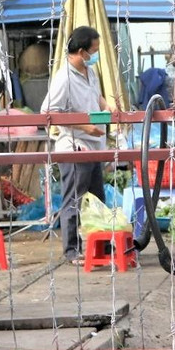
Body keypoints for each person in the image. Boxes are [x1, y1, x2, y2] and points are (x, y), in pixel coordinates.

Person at [42, 25, 110, 265]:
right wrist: (84, 127)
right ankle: (72, 250)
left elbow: (97, 97)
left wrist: (109, 108)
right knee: (74, 198)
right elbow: (49, 111)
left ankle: (102, 245)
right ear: (81, 51)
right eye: (94, 50)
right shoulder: (64, 77)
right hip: (74, 145)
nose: (96, 55)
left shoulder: (90, 72)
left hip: (94, 146)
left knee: (97, 198)